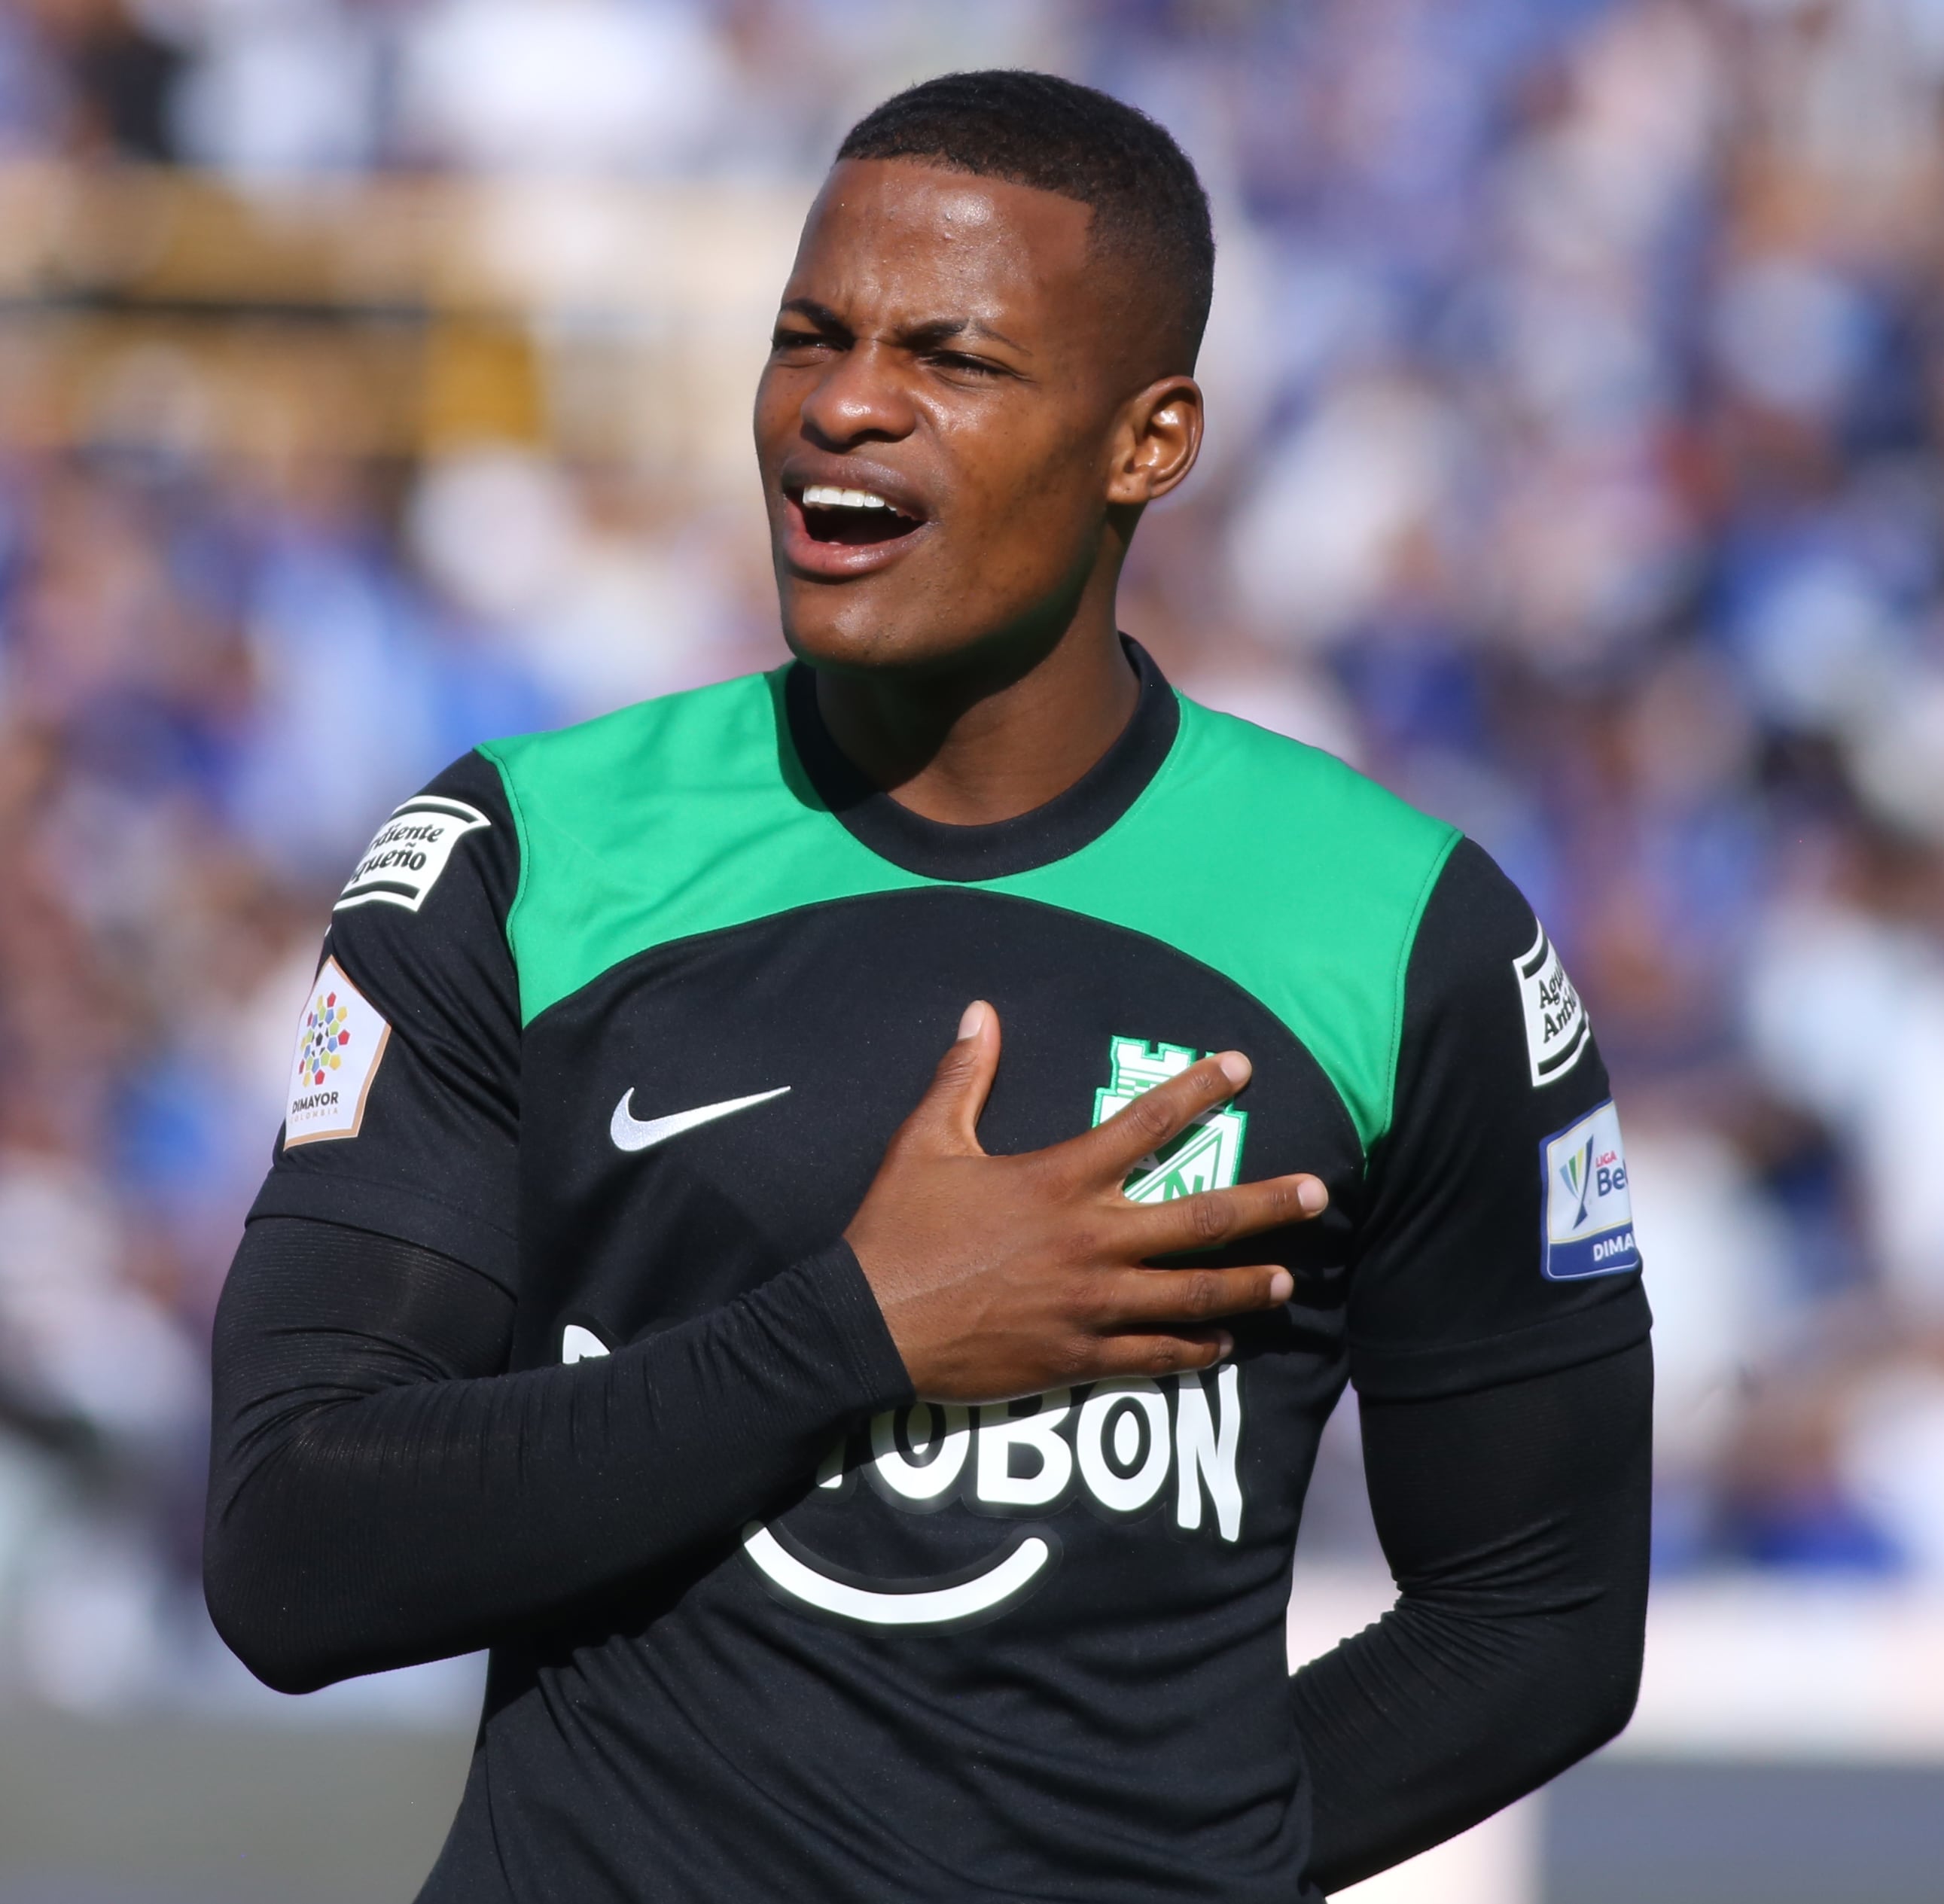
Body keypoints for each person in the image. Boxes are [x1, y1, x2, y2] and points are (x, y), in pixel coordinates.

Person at [205, 69, 1652, 1902]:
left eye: (950, 358)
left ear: (1148, 441)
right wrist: (857, 1330)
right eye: (808, 336)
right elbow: (291, 1544)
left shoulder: (1398, 927)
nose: (844, 404)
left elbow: (1537, 1615)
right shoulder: (523, 855)